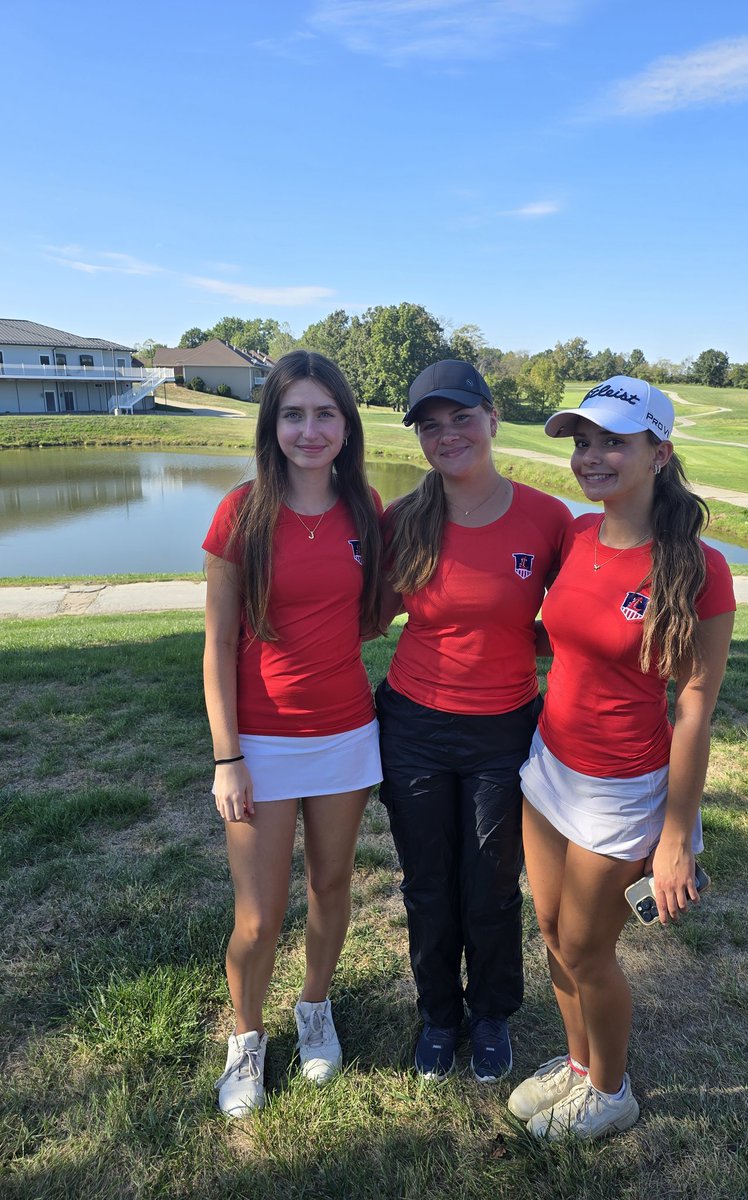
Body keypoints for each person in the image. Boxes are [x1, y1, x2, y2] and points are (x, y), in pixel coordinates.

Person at [508, 376, 735, 1141]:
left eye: (613, 442)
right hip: (549, 767)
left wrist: (675, 839)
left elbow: (694, 709)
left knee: (586, 946)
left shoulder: (699, 568)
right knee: (549, 928)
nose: (591, 456)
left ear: (659, 454)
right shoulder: (575, 535)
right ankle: (580, 1067)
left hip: (622, 786)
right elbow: (564, 634)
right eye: (582, 442)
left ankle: (611, 1093)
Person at [376, 360, 571, 1083]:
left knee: (491, 881)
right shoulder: (405, 519)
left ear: (492, 418)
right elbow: (370, 615)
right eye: (430, 425)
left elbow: (577, 615)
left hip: (503, 729)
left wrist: (533, 640)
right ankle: (438, 1015)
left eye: (461, 417)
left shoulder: (547, 519)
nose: (447, 434)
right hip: (413, 727)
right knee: (427, 881)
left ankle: (490, 1014)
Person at [202, 351, 383, 1117]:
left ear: (346, 424)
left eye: (324, 414)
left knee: (331, 887)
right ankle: (246, 1038)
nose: (310, 430)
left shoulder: (367, 509)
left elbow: (372, 614)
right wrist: (229, 758)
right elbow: (217, 644)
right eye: (293, 414)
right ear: (272, 425)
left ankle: (314, 1009)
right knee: (258, 915)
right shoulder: (240, 512)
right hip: (262, 744)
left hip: (346, 735)